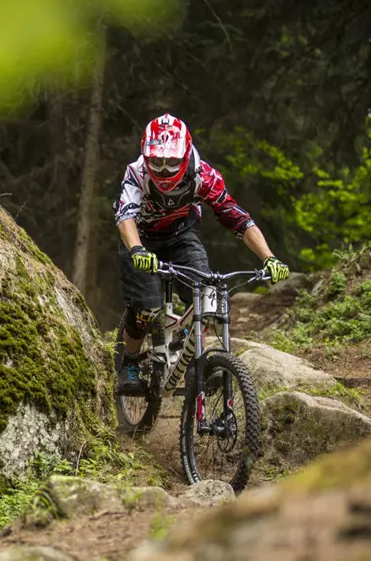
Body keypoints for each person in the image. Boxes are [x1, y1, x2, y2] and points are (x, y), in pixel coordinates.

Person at [114, 113, 290, 395]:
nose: (164, 170)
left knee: (206, 296)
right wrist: (136, 249)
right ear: (146, 155)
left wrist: (269, 257)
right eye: (157, 161)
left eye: (172, 162)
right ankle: (130, 362)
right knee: (147, 306)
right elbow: (126, 217)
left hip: (181, 235)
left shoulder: (203, 176)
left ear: (185, 156)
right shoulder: (137, 173)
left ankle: (196, 358)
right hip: (140, 237)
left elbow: (237, 218)